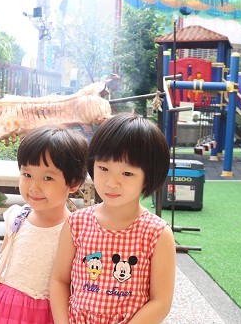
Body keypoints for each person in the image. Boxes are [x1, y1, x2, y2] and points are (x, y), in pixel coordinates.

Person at [50, 114, 176, 324]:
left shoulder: (157, 233)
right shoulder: (76, 223)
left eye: (127, 173)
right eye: (104, 168)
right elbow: (59, 280)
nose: (111, 182)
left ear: (148, 177)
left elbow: (160, 302)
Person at [0, 125, 89, 323]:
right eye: (27, 175)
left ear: (73, 183)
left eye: (47, 178)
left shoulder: (76, 229)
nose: (34, 187)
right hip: (5, 307)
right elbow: (6, 260)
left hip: (47, 314)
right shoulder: (17, 217)